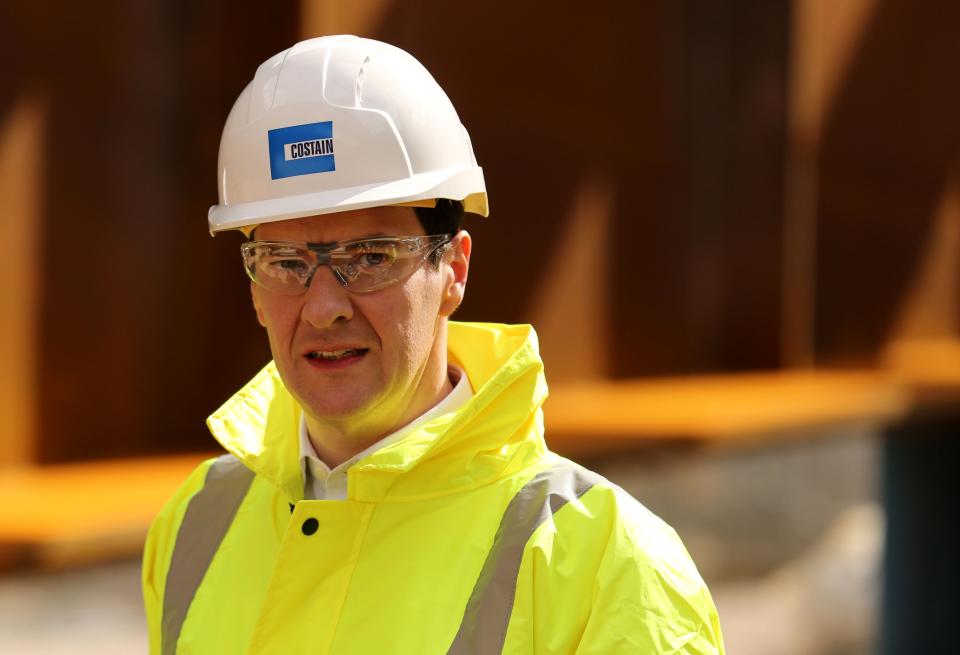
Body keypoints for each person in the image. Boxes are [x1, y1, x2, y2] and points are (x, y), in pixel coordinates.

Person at [142, 35, 725, 654]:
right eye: (284, 261)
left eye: (370, 257)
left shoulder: (606, 564)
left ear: (454, 270)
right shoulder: (197, 523)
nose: (323, 307)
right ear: (255, 289)